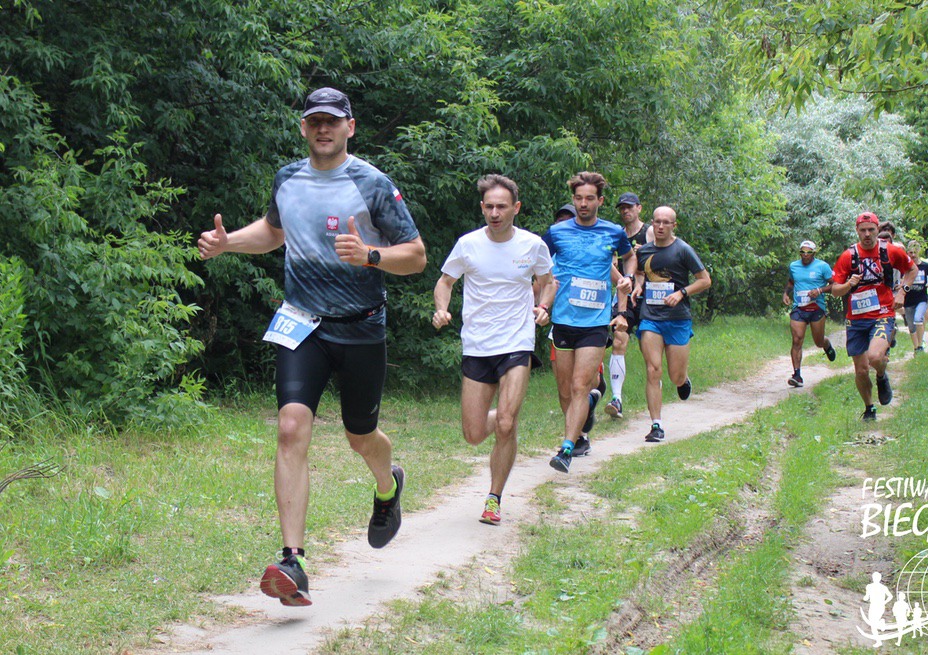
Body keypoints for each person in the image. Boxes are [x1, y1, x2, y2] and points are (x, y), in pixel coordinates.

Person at [197, 87, 427, 607]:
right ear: (303, 127)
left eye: (333, 121)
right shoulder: (287, 178)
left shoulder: (372, 183)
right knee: (290, 426)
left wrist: (370, 255)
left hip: (361, 326)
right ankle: (292, 562)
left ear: (350, 127)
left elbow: (415, 256)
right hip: (302, 324)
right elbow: (273, 231)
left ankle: (388, 484)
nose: (323, 129)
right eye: (314, 121)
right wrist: (229, 242)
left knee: (360, 436)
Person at [432, 174, 555, 525]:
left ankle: (494, 498)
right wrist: (441, 309)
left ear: (516, 208)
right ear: (482, 208)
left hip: (516, 341)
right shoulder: (468, 244)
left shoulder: (532, 245)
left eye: (502, 206)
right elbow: (445, 281)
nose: (495, 213)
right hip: (478, 343)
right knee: (473, 433)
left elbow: (548, 282)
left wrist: (543, 307)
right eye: (489, 207)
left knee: (505, 422)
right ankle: (505, 419)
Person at [543, 171, 635, 472]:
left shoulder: (613, 232)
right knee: (565, 391)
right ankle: (581, 424)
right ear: (573, 199)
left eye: (590, 199)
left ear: (600, 201)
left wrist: (627, 278)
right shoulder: (556, 233)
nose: (584, 204)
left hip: (595, 323)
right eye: (579, 198)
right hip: (563, 321)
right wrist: (541, 301)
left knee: (580, 385)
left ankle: (567, 448)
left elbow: (629, 257)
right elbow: (540, 266)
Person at [631, 206, 711, 442]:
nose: (660, 226)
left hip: (677, 318)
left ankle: (683, 380)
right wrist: (638, 287)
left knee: (675, 376)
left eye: (666, 222)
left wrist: (681, 293)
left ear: (674, 226)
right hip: (651, 317)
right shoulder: (644, 250)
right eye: (657, 221)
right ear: (652, 223)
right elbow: (639, 273)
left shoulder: (683, 249)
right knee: (653, 370)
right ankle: (656, 425)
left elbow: (705, 280)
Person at [831, 212, 916, 422]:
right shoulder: (848, 256)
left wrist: (902, 292)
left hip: (882, 313)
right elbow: (835, 291)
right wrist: (849, 284)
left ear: (878, 230)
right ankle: (869, 408)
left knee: (875, 357)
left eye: (871, 230)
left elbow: (912, 270)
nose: (867, 234)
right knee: (860, 371)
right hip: (856, 319)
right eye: (863, 230)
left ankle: (880, 375)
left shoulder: (890, 251)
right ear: (857, 231)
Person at [604, 192, 648, 419]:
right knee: (619, 338)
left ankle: (673, 379)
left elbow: (666, 258)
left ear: (639, 208)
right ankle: (617, 399)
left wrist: (646, 253)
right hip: (624, 295)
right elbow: (611, 265)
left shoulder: (650, 231)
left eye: (629, 207)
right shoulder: (618, 235)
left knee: (651, 347)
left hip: (650, 296)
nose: (625, 211)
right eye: (622, 208)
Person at [781, 239, 836, 387]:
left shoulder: (822, 266)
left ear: (814, 253)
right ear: (799, 253)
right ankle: (797, 375)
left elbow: (835, 285)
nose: (805, 255)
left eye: (808, 252)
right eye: (802, 252)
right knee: (797, 340)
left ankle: (826, 344)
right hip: (799, 308)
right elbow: (791, 281)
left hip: (816, 308)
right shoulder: (794, 266)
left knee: (818, 342)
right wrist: (786, 293)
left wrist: (819, 290)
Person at [903, 241, 928, 351]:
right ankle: (916, 347)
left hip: (922, 298)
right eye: (910, 252)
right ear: (907, 252)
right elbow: (901, 279)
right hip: (908, 300)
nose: (913, 255)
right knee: (911, 326)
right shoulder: (905, 266)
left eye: (915, 252)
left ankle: (920, 345)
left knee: (918, 319)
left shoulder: (925, 266)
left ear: (919, 251)